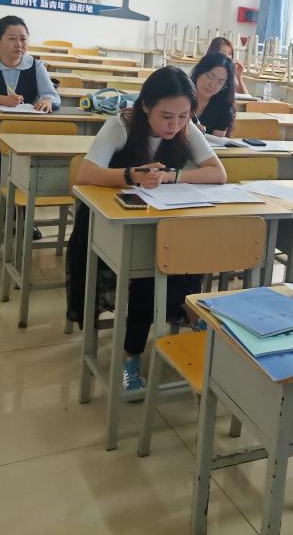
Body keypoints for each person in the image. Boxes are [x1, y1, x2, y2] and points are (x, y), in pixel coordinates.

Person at [67, 67, 227, 394]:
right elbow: (85, 173)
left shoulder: (185, 128)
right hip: (113, 223)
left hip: (163, 219)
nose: (174, 125)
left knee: (184, 257)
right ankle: (132, 354)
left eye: (183, 116)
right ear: (145, 106)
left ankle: (184, 313)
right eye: (166, 116)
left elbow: (218, 173)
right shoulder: (121, 125)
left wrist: (172, 177)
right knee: (146, 276)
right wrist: (130, 175)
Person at [0, 16, 60, 206]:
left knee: (26, 165)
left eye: (23, 39)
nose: (19, 44)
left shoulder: (36, 65)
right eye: (12, 39)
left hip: (22, 128)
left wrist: (48, 99)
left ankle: (14, 207)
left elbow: (52, 95)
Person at [190, 52, 236, 137]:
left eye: (220, 82)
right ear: (199, 72)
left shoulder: (224, 106)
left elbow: (216, 141)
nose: (213, 85)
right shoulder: (181, 94)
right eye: (210, 76)